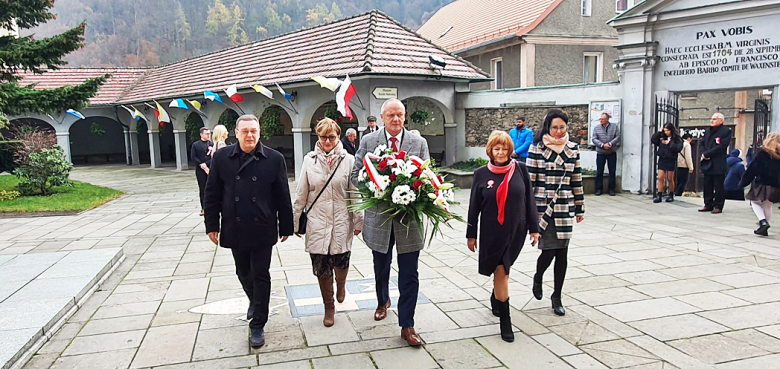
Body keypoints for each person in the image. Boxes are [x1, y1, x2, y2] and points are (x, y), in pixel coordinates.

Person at [203, 114, 294, 348]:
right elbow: (212, 194)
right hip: (235, 224)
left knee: (261, 274)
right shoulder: (222, 157)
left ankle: (258, 324)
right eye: (245, 131)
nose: (250, 135)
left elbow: (283, 195)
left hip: (262, 225)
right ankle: (255, 301)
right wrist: (212, 225)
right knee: (242, 272)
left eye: (253, 130)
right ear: (236, 133)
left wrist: (286, 225)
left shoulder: (274, 159)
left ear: (259, 132)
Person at [351, 98, 430, 346]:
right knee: (381, 266)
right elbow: (355, 174)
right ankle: (382, 300)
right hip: (380, 218)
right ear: (382, 118)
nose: (396, 119)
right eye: (391, 115)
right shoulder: (368, 141)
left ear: (404, 117)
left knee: (409, 273)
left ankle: (407, 324)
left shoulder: (419, 143)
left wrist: (416, 190)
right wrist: (378, 188)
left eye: (400, 115)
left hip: (409, 221)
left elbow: (428, 176)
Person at [467, 131, 540, 342]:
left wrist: (534, 228)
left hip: (516, 230)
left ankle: (496, 296)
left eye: (504, 149)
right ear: (490, 150)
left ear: (510, 150)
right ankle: (505, 321)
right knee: (501, 271)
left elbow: (530, 201)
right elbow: (474, 207)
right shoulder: (481, 174)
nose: (500, 153)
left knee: (503, 272)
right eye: (496, 149)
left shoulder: (521, 169)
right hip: (491, 232)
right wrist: (471, 234)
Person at [294, 119, 363, 327]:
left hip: (342, 220)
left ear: (337, 137)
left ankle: (341, 284)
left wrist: (358, 220)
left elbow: (355, 192)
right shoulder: (309, 160)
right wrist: (295, 221)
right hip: (317, 221)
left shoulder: (348, 160)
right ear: (318, 136)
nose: (327, 141)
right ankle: (329, 307)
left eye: (331, 137)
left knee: (341, 262)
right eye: (323, 137)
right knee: (322, 267)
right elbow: (301, 192)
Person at [526, 109, 585, 317]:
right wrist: (528, 212)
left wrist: (579, 207)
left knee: (562, 253)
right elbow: (530, 182)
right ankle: (538, 276)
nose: (559, 131)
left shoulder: (573, 149)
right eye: (554, 127)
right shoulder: (537, 148)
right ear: (547, 128)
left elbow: (576, 179)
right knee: (549, 250)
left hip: (564, 206)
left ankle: (557, 296)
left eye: (562, 127)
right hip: (543, 208)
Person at [739, 132, 780, 236]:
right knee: (768, 205)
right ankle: (764, 226)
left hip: (763, 184)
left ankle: (763, 222)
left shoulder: (763, 153)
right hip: (776, 185)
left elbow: (753, 168)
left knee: (755, 202)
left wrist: (744, 181)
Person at [699, 113, 732, 214]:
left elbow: (722, 146)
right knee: (707, 184)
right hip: (707, 162)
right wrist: (704, 153)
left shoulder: (726, 131)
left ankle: (718, 205)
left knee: (718, 185)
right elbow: (702, 143)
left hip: (718, 162)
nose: (712, 121)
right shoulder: (708, 131)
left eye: (714, 119)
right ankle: (708, 204)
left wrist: (708, 153)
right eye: (711, 119)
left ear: (721, 121)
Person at [651, 123, 683, 203]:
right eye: (665, 130)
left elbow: (678, 148)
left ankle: (671, 194)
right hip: (662, 158)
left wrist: (669, 143)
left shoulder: (676, 139)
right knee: (661, 177)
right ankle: (659, 195)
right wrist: (659, 132)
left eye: (668, 130)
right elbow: (653, 140)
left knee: (670, 178)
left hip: (671, 159)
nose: (666, 132)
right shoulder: (662, 137)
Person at [592, 112, 621, 196]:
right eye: (600, 119)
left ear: (607, 119)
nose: (601, 120)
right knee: (599, 171)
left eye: (603, 119)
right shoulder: (596, 128)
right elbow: (594, 138)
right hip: (601, 152)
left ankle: (611, 189)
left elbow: (618, 137)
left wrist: (610, 144)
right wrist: (602, 145)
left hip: (611, 152)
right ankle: (598, 189)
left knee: (612, 171)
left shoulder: (614, 127)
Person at [191, 127, 213, 216]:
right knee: (202, 188)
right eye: (206, 134)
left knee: (211, 188)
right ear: (201, 134)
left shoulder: (212, 144)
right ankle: (203, 208)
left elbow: (214, 157)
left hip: (210, 169)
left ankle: (211, 206)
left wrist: (207, 164)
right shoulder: (195, 145)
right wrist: (201, 164)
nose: (208, 135)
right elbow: (193, 157)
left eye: (209, 134)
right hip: (200, 170)